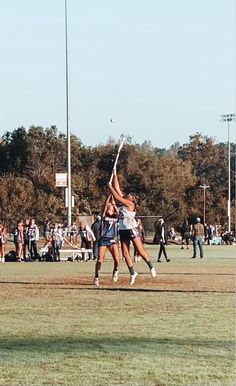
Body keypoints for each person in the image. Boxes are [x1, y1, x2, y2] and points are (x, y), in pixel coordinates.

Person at [108, 170, 156, 285]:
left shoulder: (130, 204)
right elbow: (117, 188)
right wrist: (114, 175)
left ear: (132, 199)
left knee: (139, 249)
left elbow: (116, 196)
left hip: (132, 229)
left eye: (130, 195)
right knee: (125, 254)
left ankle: (151, 267)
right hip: (122, 229)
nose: (128, 194)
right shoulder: (125, 200)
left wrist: (109, 187)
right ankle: (133, 272)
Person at [94, 195, 120, 286]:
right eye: (108, 205)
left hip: (113, 239)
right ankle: (96, 277)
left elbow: (119, 213)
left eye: (111, 205)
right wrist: (109, 196)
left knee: (117, 260)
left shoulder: (115, 216)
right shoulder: (104, 215)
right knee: (100, 258)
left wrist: (114, 204)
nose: (109, 205)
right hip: (104, 239)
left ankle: (115, 271)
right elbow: (105, 205)